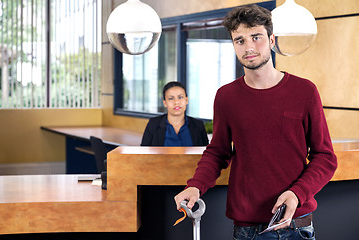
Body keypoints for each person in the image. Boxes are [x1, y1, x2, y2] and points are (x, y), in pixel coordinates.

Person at [174, 4, 337, 240]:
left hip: (298, 226)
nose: (249, 47)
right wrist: (195, 185)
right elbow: (217, 152)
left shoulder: (305, 91)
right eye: (239, 40)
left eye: (256, 37)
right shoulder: (226, 97)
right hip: (248, 230)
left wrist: (297, 193)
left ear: (271, 40)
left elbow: (325, 157)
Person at [141, 81, 209, 146]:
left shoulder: (198, 125)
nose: (176, 102)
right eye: (171, 98)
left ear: (186, 100)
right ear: (165, 103)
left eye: (180, 97)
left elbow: (207, 154)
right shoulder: (153, 124)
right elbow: (143, 153)